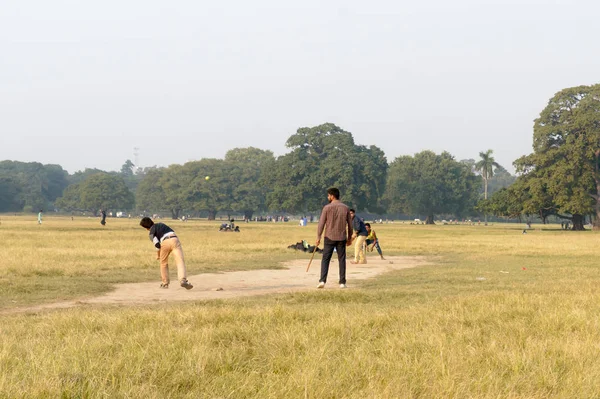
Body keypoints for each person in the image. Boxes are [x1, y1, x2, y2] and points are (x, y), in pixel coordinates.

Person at [139, 217, 193, 290]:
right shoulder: (161, 224)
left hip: (165, 242)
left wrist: (158, 255)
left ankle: (165, 283)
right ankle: (183, 280)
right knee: (180, 261)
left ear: (146, 228)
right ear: (152, 221)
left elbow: (157, 245)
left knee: (163, 263)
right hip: (174, 239)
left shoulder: (151, 233)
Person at [315, 187, 353, 289]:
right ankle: (342, 282)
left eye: (328, 195)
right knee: (342, 260)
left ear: (332, 196)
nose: (328, 197)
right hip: (341, 237)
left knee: (326, 259)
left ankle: (322, 281)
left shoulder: (327, 208)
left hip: (329, 236)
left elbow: (321, 224)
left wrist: (318, 237)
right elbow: (350, 225)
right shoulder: (345, 208)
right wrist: (349, 238)